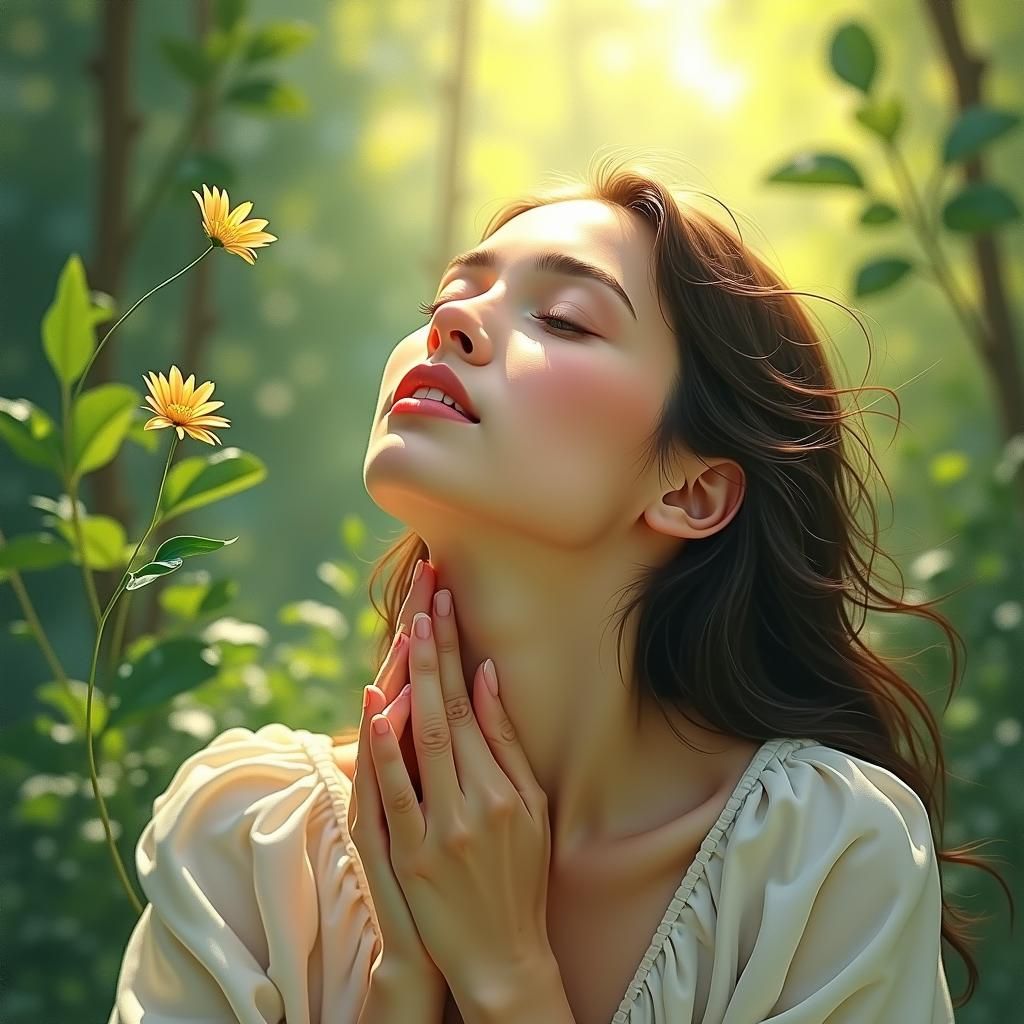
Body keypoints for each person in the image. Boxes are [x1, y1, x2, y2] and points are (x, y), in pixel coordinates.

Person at [108, 156, 972, 1023]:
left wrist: (506, 978)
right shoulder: (248, 842)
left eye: (562, 319)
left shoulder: (822, 865)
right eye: (446, 295)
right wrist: (402, 984)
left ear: (690, 491)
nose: (452, 319)